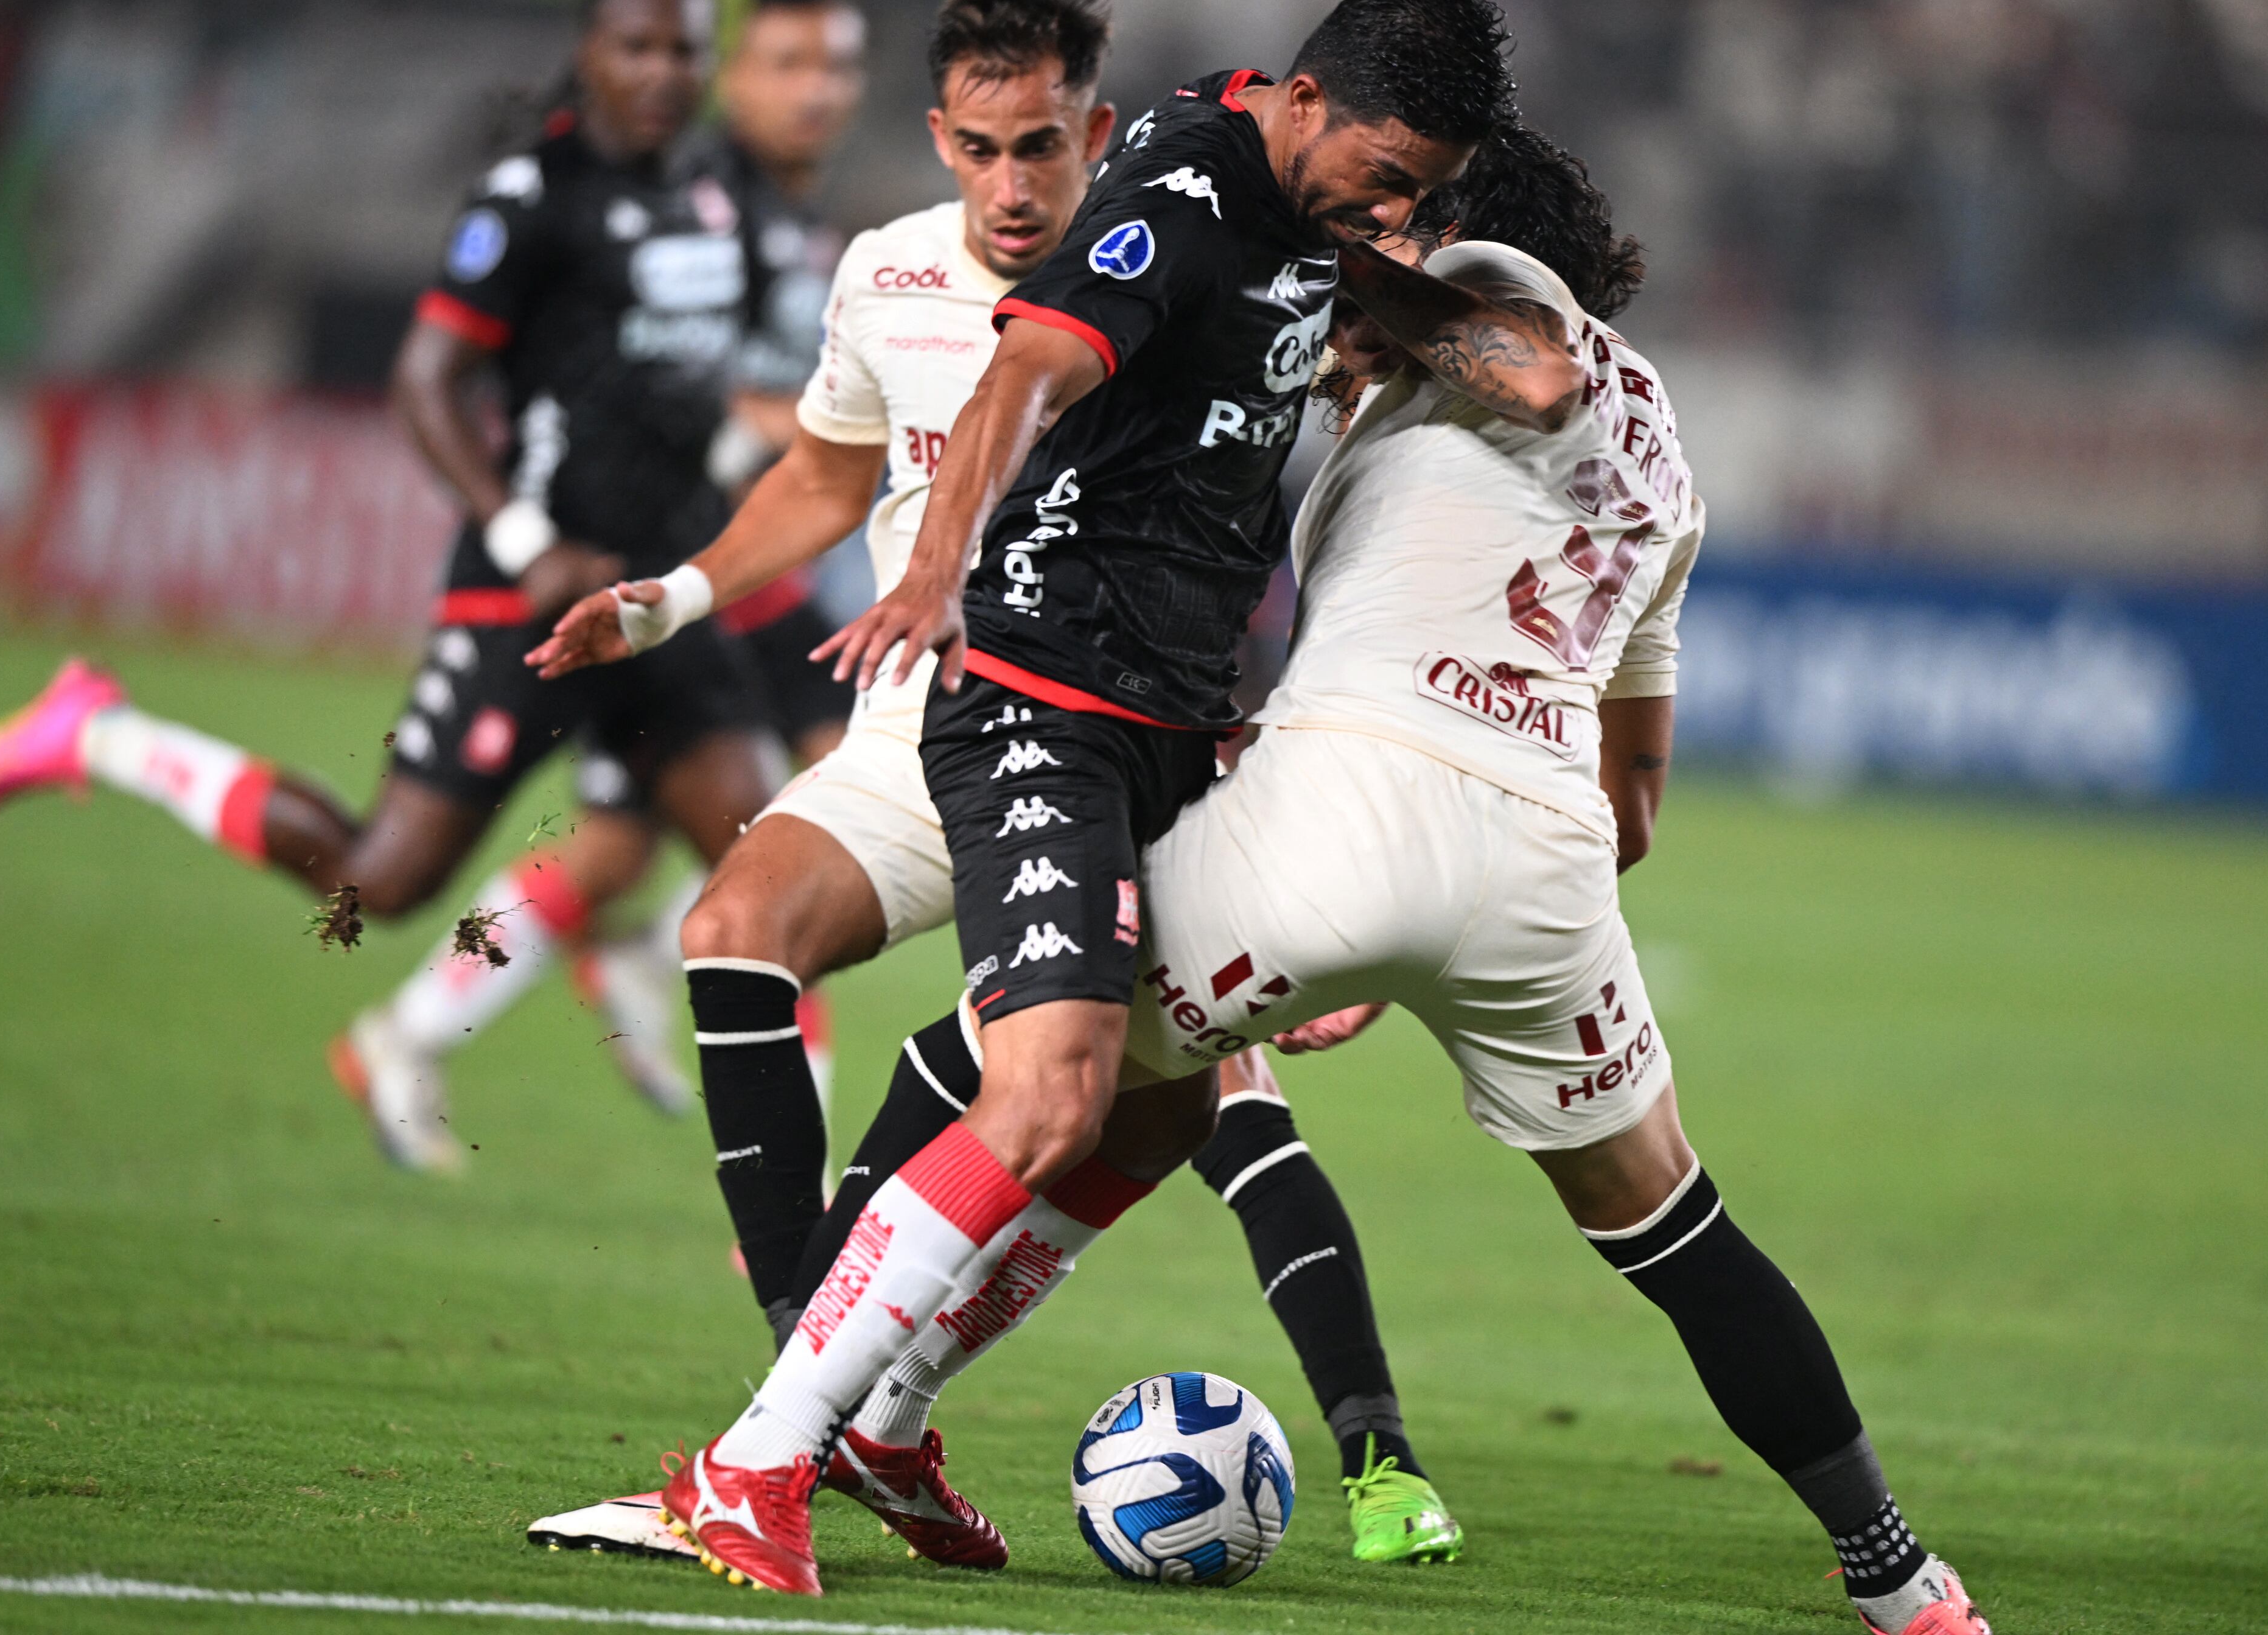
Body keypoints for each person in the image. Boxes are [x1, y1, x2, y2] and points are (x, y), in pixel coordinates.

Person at [821, 122, 1990, 1633]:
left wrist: (1354, 892)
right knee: (1675, 1224)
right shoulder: (1669, 455)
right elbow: (1637, 796)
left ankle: (825, 1389)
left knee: (1044, 1033)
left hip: (1350, 804)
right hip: (1546, 867)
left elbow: (1506, 346)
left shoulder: (1492, 290)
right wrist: (1427, 929)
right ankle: (1902, 1575)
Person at [527, 0, 1459, 1569]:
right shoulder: (912, 271)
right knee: (748, 933)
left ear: (1090, 134)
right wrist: (691, 593)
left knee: (1168, 1096)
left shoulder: (1239, 234)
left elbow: (1320, 478)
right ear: (941, 142)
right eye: (980, 148)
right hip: (962, 698)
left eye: (1041, 147)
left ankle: (861, 1424)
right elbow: (844, 466)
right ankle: (789, 1426)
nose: (1012, 184)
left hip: (1135, 714)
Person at [0, 0, 783, 1169]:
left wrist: (750, 449)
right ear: (593, 54)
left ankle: (805, 1232)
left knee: (773, 875)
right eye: (640, 49)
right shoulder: (534, 193)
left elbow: (681, 385)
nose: (665, 74)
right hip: (534, 599)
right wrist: (522, 540)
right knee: (380, 876)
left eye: (687, 52)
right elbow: (424, 382)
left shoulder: (712, 192)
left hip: (663, 598)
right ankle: (96, 732)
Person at [346, 0, 872, 1131]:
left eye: (836, 68)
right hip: (610, 573)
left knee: (736, 858)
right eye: (789, 65)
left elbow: (681, 392)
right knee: (411, 873)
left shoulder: (745, 207)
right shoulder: (636, 189)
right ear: (734, 79)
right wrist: (818, 438)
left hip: (693, 567)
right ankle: (451, 1015)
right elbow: (643, 387)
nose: (817, 93)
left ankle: (794, 1194)